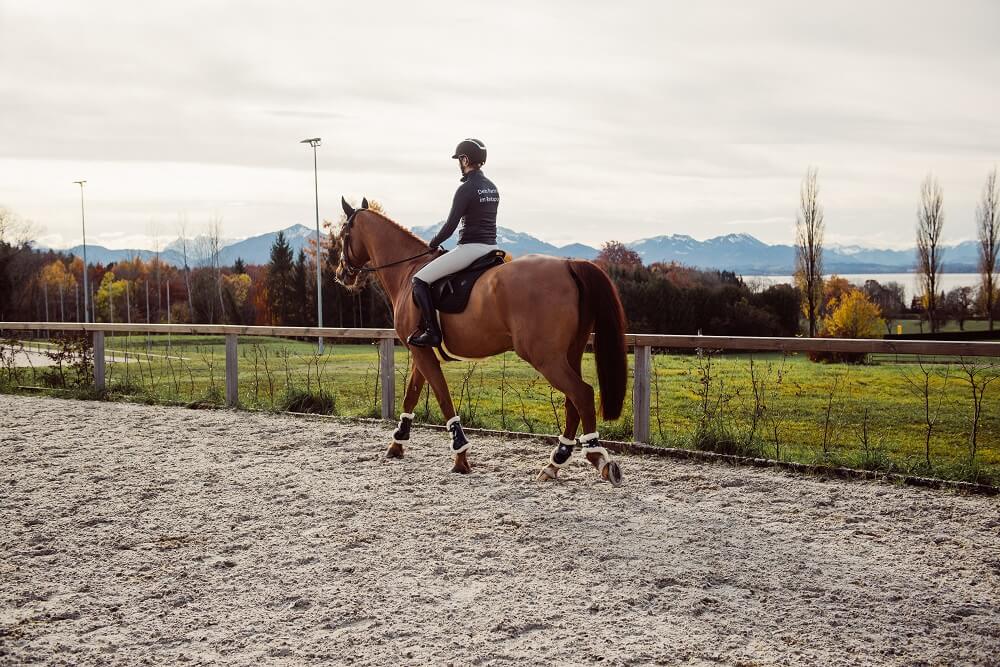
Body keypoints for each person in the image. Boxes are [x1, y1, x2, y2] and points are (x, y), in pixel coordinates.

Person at [407, 138, 500, 347]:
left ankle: (432, 332)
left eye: (459, 159)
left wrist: (432, 243)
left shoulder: (466, 189)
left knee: (419, 280)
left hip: (470, 249)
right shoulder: (492, 187)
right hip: (492, 248)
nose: (459, 163)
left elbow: (450, 226)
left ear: (465, 159)